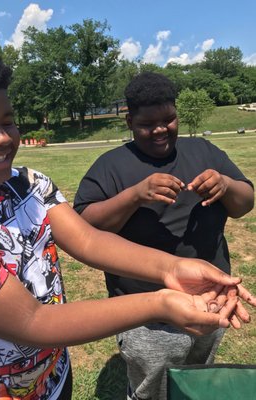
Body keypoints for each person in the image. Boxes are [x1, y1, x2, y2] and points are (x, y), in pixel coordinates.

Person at [74, 71, 255, 399]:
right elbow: (85, 226)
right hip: (144, 306)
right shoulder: (111, 166)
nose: (161, 129)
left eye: (169, 119)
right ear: (129, 121)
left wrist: (226, 185)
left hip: (211, 296)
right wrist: (135, 195)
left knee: (195, 374)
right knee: (152, 384)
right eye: (147, 123)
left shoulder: (203, 150)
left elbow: (245, 203)